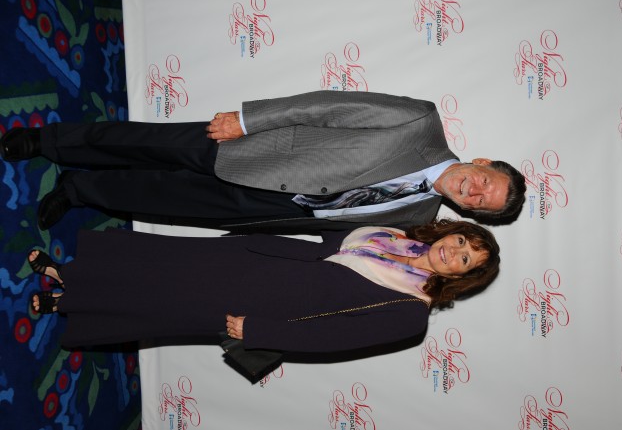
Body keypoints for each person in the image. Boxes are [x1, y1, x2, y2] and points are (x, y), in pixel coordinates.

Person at [0, 91, 526, 233]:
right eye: (486, 181)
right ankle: (47, 141)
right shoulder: (421, 123)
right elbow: (330, 105)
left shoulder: (419, 217)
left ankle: (77, 191)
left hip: (271, 209)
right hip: (260, 149)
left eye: (481, 203)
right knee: (143, 143)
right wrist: (249, 120)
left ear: (470, 212)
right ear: (481, 161)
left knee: (158, 196)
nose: (475, 192)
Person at [28, 219, 499, 353]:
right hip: (256, 259)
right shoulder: (397, 234)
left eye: (465, 259)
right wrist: (257, 240)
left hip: (261, 301)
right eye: (461, 241)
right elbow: (325, 241)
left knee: (162, 301)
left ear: (462, 278)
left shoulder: (412, 312)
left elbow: (336, 336)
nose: (453, 252)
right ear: (452, 232)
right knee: (161, 260)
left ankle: (70, 302)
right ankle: (71, 274)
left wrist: (260, 332)